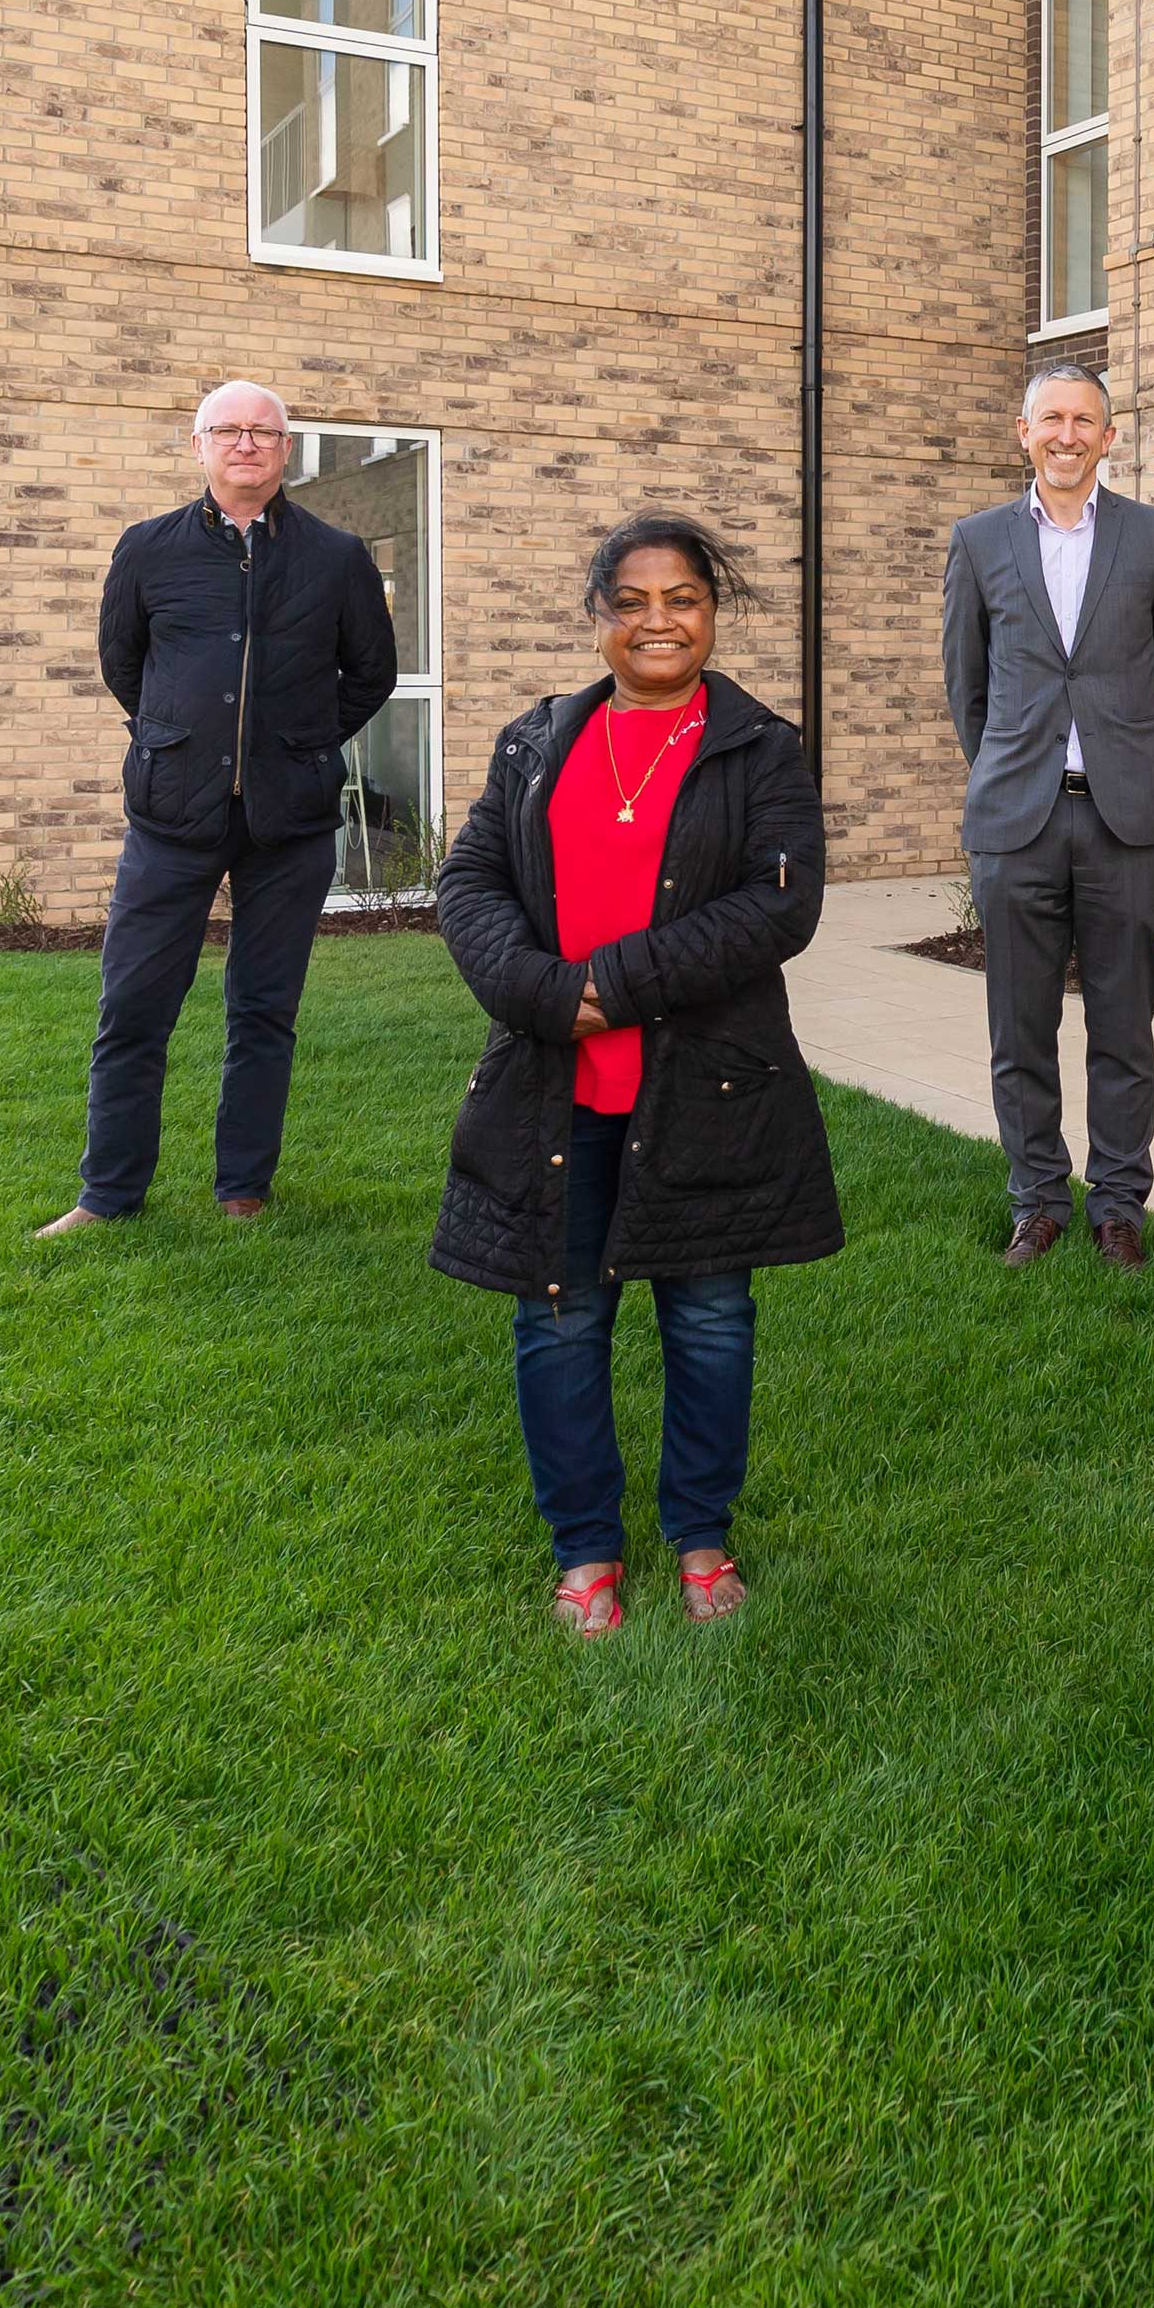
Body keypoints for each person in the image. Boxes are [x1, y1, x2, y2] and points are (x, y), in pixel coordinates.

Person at [433, 516, 840, 1633]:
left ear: (714, 610)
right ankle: (586, 1553)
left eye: (683, 598)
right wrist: (545, 996)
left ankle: (702, 1540)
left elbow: (779, 902)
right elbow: (467, 878)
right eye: (632, 599)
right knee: (559, 1320)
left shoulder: (763, 747)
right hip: (553, 1090)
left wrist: (611, 982)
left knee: (709, 1316)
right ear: (599, 614)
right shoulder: (535, 740)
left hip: (704, 1089)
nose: (658, 620)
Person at [40, 382, 399, 1234]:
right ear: (199, 446)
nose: (246, 444)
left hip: (290, 822)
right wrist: (174, 741)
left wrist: (302, 745)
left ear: (286, 450)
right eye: (228, 431)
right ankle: (107, 1195)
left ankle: (244, 1188)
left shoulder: (337, 556)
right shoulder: (147, 550)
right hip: (172, 817)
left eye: (263, 432)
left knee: (264, 1010)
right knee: (133, 1008)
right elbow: (123, 665)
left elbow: (370, 674)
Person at [939, 362, 1154, 1265]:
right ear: (1024, 433)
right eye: (1049, 419)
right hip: (1016, 824)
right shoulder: (977, 542)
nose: (1066, 434)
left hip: (1125, 825)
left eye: (1083, 420)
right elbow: (965, 687)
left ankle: (1119, 1206)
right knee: (1019, 1030)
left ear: (1108, 435)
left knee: (1123, 1029)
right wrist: (1015, 774)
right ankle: (1038, 1201)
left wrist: (1131, 767)